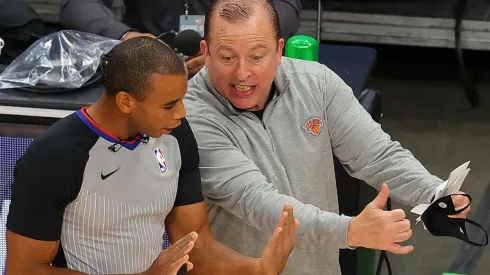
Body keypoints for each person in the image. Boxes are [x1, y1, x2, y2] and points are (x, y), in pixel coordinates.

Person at [183, 0, 472, 274]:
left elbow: (377, 154)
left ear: (279, 49)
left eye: (257, 56)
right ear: (205, 53)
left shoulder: (317, 83)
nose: (242, 72)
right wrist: (351, 231)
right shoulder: (193, 118)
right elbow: (258, 202)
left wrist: (435, 194)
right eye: (227, 57)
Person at [5, 36, 299, 275]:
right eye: (169, 105)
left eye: (182, 100)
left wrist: (257, 269)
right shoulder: (52, 158)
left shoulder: (175, 136)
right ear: (126, 102)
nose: (181, 113)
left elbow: (196, 245)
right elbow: (25, 269)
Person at [58, 0, 302, 75]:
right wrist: (126, 37)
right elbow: (77, 5)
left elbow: (286, 9)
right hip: (145, 66)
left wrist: (234, 44)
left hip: (235, 71)